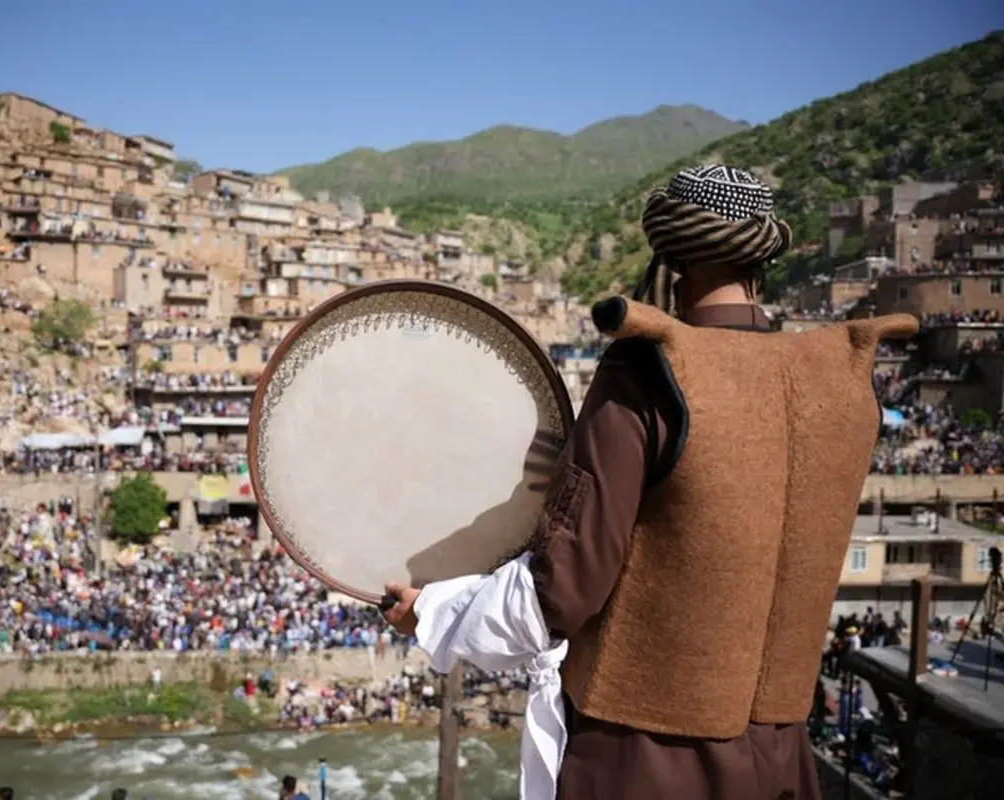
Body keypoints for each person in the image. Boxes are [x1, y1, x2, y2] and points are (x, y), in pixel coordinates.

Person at [383, 164, 918, 799]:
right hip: (783, 763)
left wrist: (436, 615)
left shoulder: (649, 371)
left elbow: (560, 594)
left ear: (670, 255)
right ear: (760, 258)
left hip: (641, 763)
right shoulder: (838, 383)